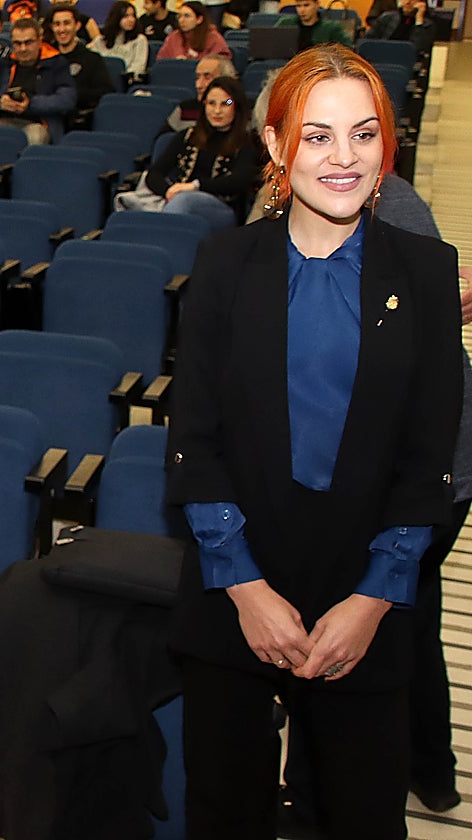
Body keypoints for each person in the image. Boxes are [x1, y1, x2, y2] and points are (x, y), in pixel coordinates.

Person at [166, 44, 462, 840]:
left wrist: (371, 601)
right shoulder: (224, 262)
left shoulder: (429, 271)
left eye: (364, 135)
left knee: (359, 815)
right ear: (275, 145)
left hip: (368, 594)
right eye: (318, 134)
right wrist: (246, 589)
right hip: (237, 586)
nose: (344, 159)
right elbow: (194, 441)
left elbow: (429, 460)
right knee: (225, 809)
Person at [140, 76, 257, 229]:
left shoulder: (247, 142)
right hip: (178, 201)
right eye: (211, 103)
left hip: (222, 208)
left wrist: (195, 186)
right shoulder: (187, 136)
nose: (217, 111)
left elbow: (238, 182)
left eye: (226, 104)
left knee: (184, 201)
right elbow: (154, 173)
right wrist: (168, 191)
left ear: (237, 107)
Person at [0, 17, 77, 145]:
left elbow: (67, 99)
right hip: (3, 119)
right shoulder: (4, 63)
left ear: (40, 41)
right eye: (18, 43)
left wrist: (30, 104)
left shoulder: (56, 64)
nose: (23, 48)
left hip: (38, 124)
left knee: (35, 136)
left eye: (28, 43)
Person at [46, 2, 115, 116]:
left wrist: (71, 95)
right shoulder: (46, 56)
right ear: (52, 27)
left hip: (77, 117)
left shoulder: (92, 59)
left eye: (67, 23)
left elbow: (105, 91)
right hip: (47, 115)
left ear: (77, 26)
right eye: (57, 24)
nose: (62, 29)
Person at [90, 0, 149, 81]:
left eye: (133, 16)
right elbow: (93, 65)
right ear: (116, 18)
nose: (131, 20)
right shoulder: (100, 41)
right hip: (101, 80)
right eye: (126, 16)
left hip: (126, 81)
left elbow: (138, 67)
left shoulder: (139, 40)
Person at [156, 1, 231, 60]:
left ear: (199, 19)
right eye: (179, 16)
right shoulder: (173, 37)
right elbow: (161, 62)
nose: (181, 20)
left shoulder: (214, 38)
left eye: (187, 16)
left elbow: (220, 66)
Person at [277, 0, 353, 50]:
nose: (302, 10)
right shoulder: (286, 23)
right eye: (298, 6)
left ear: (317, 5)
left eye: (306, 5)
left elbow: (347, 49)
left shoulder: (331, 28)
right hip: (291, 63)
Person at [367, 0, 435, 55]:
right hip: (381, 56)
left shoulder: (428, 25)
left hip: (407, 62)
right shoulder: (387, 17)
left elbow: (416, 49)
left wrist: (419, 21)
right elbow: (366, 41)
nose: (408, 2)